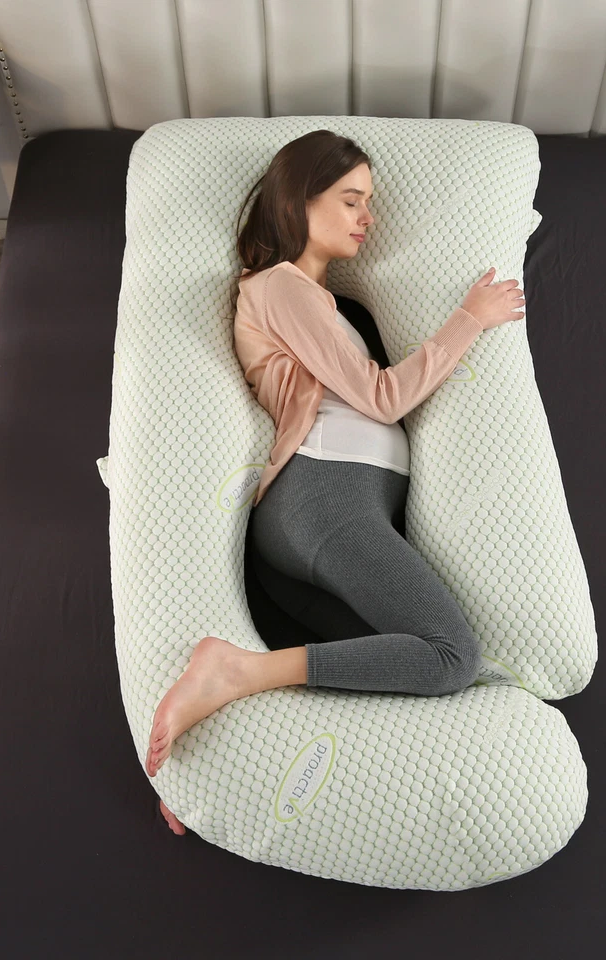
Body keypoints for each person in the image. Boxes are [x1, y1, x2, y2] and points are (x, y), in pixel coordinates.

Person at [149, 130, 526, 837]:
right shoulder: (280, 287)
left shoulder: (318, 303)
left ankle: (206, 767)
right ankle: (233, 670)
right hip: (325, 495)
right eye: (351, 200)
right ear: (300, 200)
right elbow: (382, 397)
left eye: (369, 203)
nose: (366, 218)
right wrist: (469, 320)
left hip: (328, 513)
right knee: (451, 655)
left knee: (392, 676)